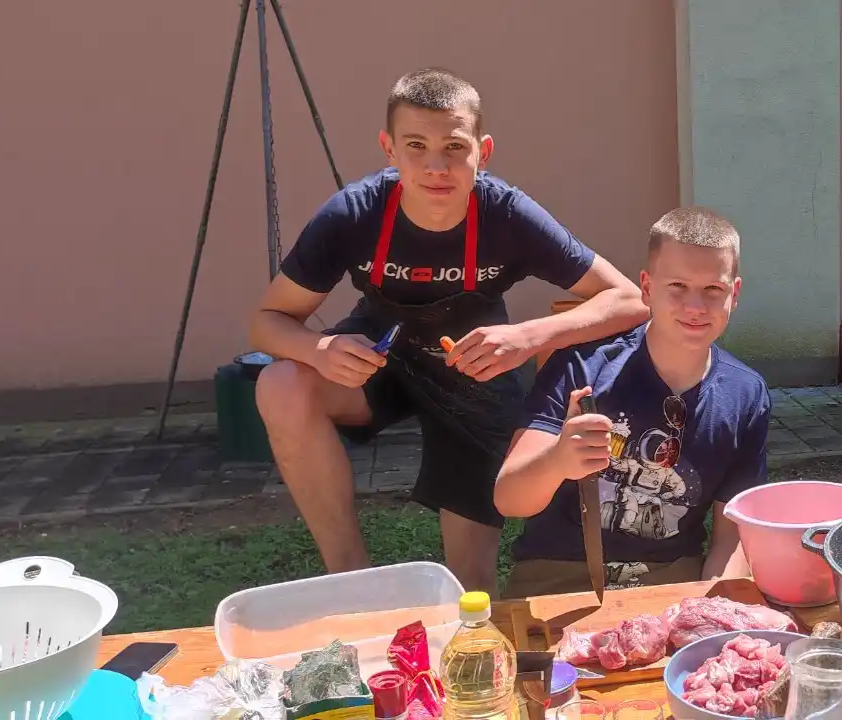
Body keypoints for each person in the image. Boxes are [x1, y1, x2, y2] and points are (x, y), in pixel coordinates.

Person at [248, 68, 648, 591]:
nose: (436, 167)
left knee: (470, 585)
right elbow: (267, 323)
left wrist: (530, 336)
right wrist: (320, 348)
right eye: (416, 145)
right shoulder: (353, 214)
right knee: (280, 383)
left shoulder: (507, 214)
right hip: (378, 360)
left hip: (475, 375)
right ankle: (349, 580)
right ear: (389, 148)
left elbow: (630, 299)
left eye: (454, 147)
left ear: (483, 151)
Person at [492, 207, 771, 597]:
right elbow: (509, 499)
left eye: (713, 289)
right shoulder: (582, 367)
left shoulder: (746, 394)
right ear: (646, 287)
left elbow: (732, 534)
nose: (695, 306)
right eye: (677, 286)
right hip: (559, 573)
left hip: (672, 575)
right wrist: (557, 460)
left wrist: (714, 600)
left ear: (734, 294)